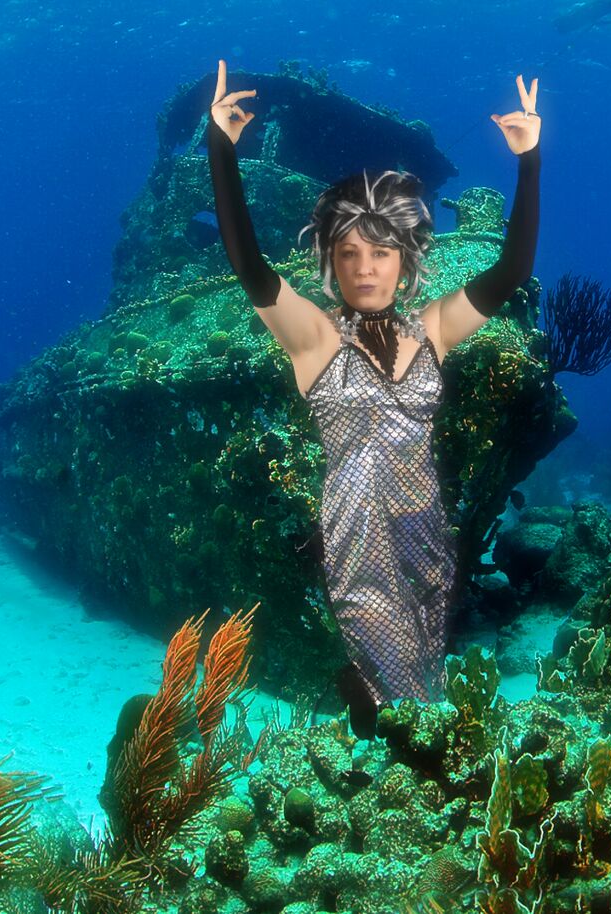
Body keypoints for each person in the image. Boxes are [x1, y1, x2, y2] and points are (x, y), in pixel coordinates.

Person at [207, 60, 541, 738]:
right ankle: (375, 726)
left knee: (424, 678)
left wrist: (529, 161)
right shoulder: (315, 339)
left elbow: (512, 271)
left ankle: (384, 725)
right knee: (396, 698)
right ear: (331, 263)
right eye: (349, 254)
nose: (365, 268)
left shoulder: (434, 329)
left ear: (405, 261)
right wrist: (221, 148)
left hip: (426, 530)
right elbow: (249, 265)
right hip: (357, 532)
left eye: (381, 254)